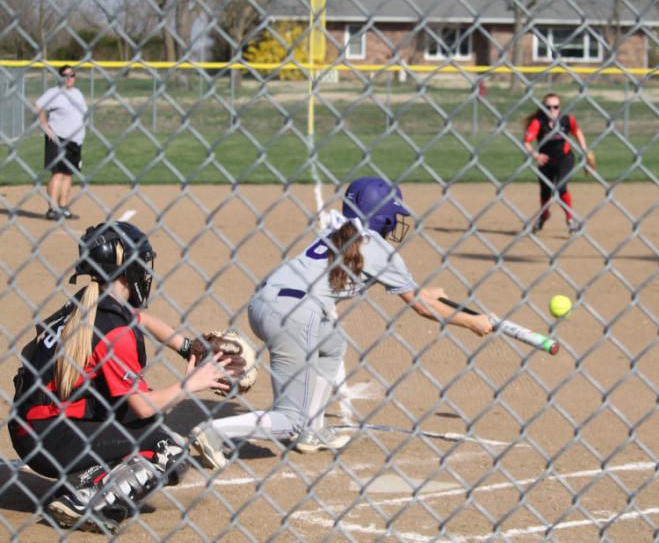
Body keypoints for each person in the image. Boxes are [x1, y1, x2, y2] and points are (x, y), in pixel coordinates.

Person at [189, 177, 493, 469]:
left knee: (332, 343)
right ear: (383, 215)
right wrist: (472, 322)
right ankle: (214, 431)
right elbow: (421, 308)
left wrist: (425, 292)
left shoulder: (338, 231)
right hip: (296, 314)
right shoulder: (377, 247)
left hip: (265, 303)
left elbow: (413, 294)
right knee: (289, 418)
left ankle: (312, 430)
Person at [8, 221, 231, 533]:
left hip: (32, 426)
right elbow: (142, 406)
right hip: (49, 435)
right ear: (128, 270)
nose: (147, 272)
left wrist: (186, 346)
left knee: (143, 421)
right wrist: (192, 384)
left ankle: (84, 482)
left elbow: (142, 320)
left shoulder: (87, 301)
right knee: (169, 450)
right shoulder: (115, 332)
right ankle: (84, 504)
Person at [522, 93, 591, 235]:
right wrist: (536, 155)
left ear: (560, 108)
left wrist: (584, 150)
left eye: (556, 107)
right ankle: (544, 215)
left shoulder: (567, 119)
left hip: (565, 159)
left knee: (560, 187)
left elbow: (577, 132)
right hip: (545, 161)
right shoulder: (538, 122)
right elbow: (526, 142)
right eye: (548, 107)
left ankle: (570, 220)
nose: (552, 110)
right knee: (545, 191)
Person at [35, 65, 88, 220]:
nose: (69, 78)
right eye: (66, 75)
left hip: (75, 140)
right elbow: (38, 106)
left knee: (68, 173)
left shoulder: (77, 93)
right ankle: (52, 209)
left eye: (72, 75)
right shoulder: (54, 93)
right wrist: (45, 127)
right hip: (58, 138)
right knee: (57, 173)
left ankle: (63, 207)